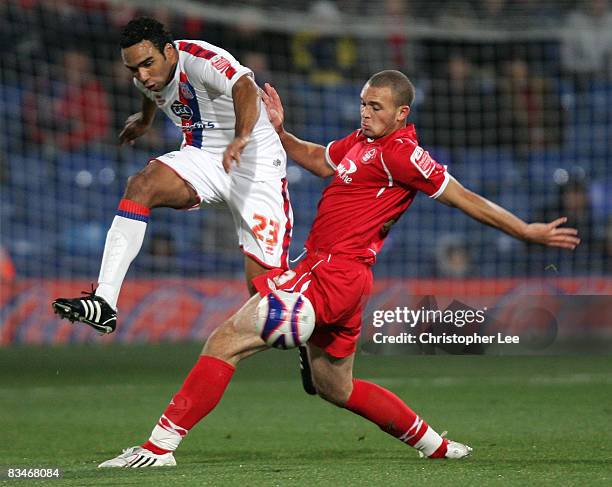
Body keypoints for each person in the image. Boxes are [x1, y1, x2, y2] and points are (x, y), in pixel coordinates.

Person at [98, 70, 579, 468]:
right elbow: (316, 159)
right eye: (364, 104)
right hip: (341, 281)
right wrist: (279, 131)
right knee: (336, 387)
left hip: (330, 274)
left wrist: (526, 231)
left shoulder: (404, 154)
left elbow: (464, 198)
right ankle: (437, 446)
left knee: (225, 341)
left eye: (376, 108)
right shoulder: (360, 142)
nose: (365, 113)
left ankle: (159, 447)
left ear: (401, 114)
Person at [52, 17, 293, 334]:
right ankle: (104, 302)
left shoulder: (200, 58)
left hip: (257, 166)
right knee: (141, 184)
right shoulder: (145, 79)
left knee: (265, 301)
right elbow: (154, 94)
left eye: (148, 63)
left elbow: (244, 87)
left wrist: (241, 137)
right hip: (203, 159)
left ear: (169, 51)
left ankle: (306, 341)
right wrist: (144, 120)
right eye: (134, 69)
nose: (142, 75)